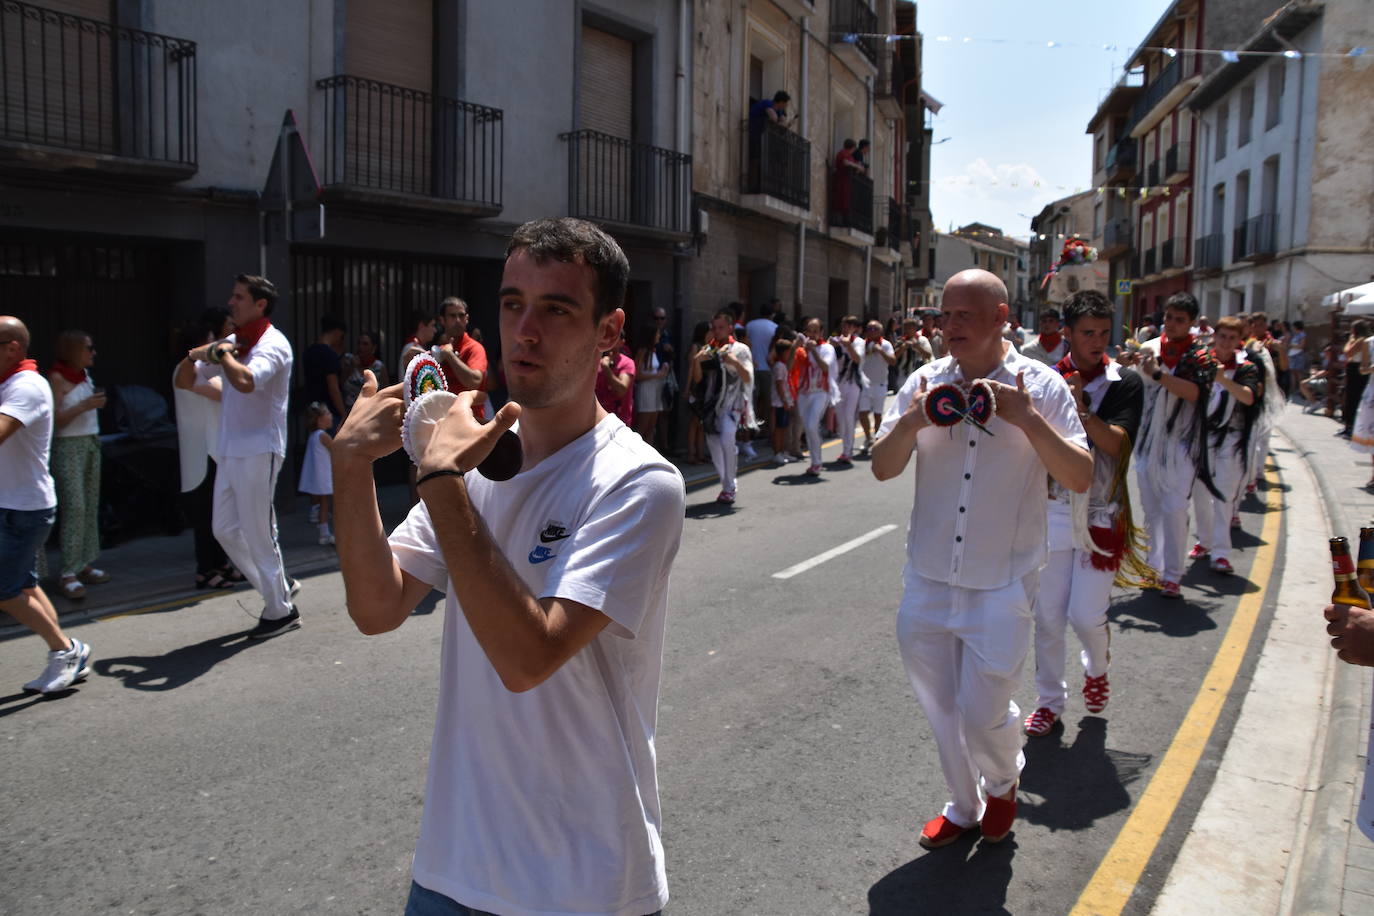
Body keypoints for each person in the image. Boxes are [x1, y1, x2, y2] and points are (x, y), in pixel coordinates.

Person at [333, 217, 684, 916]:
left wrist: (439, 477)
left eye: (556, 309)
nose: (525, 330)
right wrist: (349, 468)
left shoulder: (639, 483)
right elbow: (378, 607)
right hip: (452, 868)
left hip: (581, 883)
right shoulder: (474, 460)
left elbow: (528, 659)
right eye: (512, 303)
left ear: (609, 332)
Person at [871, 269, 1091, 849]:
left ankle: (1002, 779)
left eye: (965, 315)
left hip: (1003, 581)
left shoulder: (1041, 387)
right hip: (928, 576)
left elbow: (1079, 473)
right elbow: (883, 465)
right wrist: (915, 419)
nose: (950, 327)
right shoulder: (923, 382)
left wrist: (1026, 417)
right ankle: (963, 805)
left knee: (981, 710)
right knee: (941, 707)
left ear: (1001, 318)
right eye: (945, 315)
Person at [1024, 289, 1145, 738]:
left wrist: (1083, 411)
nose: (1097, 341)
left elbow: (1118, 445)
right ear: (1068, 335)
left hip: (1101, 513)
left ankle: (1096, 666)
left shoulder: (1125, 381)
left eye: (1103, 333)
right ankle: (1049, 702)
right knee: (1049, 616)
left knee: (1085, 615)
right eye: (1087, 333)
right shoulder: (1045, 379)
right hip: (1053, 508)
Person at [176, 274, 300, 639]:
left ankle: (280, 610)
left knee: (260, 533)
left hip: (261, 449)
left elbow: (246, 382)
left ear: (260, 304)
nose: (232, 303)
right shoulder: (234, 341)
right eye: (233, 296)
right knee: (225, 530)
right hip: (230, 449)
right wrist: (192, 356)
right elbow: (187, 380)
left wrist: (220, 352)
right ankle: (277, 590)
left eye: (239, 297)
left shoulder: (273, 345)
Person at [1, 316, 93, 694]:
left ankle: (65, 650)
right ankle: (70, 653)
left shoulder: (27, 386)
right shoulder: (7, 383)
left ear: (12, 349)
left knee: (4, 591)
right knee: (24, 586)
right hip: (12, 505)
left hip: (24, 509)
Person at [1136, 292, 1214, 600]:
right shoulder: (1149, 348)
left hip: (1182, 443)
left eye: (1179, 319)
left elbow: (1195, 394)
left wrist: (1157, 373)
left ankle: (1172, 575)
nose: (1171, 324)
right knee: (1151, 509)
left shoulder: (1201, 357)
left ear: (1192, 323)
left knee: (1174, 508)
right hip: (1147, 443)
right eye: (1168, 317)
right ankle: (1152, 568)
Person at [1187, 316, 1260, 574]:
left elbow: (1249, 397)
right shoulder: (1199, 362)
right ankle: (1204, 541)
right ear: (1214, 337)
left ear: (1239, 340)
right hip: (1201, 437)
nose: (1226, 342)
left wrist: (1223, 379)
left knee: (1224, 495)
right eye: (1222, 336)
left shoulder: (1246, 367)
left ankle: (1220, 552)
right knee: (1199, 493)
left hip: (1230, 438)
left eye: (1232, 338)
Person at [173, 307, 238, 591]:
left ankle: (220, 564)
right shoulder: (187, 370)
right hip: (201, 453)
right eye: (211, 342)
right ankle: (205, 570)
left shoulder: (202, 369)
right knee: (207, 517)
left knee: (218, 514)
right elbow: (223, 393)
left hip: (213, 450)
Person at [47, 328, 110, 599]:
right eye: (88, 347)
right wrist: (85, 406)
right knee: (75, 506)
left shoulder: (84, 376)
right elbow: (56, 419)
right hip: (68, 446)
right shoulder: (57, 378)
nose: (93, 352)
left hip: (90, 443)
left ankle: (83, 563)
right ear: (73, 350)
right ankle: (67, 572)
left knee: (89, 505)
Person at [698, 309, 756, 504]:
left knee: (726, 441)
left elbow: (748, 378)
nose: (717, 331)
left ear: (730, 328)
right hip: (711, 406)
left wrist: (734, 362)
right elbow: (697, 377)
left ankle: (729, 486)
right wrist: (696, 361)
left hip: (733, 405)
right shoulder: (709, 349)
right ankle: (727, 483)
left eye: (721, 327)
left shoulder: (740, 349)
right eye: (714, 328)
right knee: (713, 444)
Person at [791, 316, 838, 477]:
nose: (811, 335)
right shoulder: (801, 349)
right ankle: (814, 461)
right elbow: (789, 367)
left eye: (815, 331)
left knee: (811, 425)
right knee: (808, 427)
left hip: (821, 392)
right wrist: (793, 348)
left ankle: (817, 462)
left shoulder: (827, 348)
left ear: (821, 333)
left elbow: (825, 367)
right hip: (804, 393)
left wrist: (813, 352)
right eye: (809, 331)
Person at [435, 297, 489, 420]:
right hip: (442, 420)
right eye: (452, 316)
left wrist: (450, 357)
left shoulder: (474, 348)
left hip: (471, 422)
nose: (458, 320)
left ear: (467, 319)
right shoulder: (440, 350)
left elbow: (475, 381)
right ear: (442, 320)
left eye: (461, 315)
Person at [830, 315, 866, 463]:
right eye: (844, 326)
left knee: (849, 416)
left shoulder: (858, 342)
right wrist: (834, 346)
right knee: (840, 418)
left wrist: (848, 345)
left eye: (849, 326)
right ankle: (845, 447)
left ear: (855, 328)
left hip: (853, 383)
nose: (846, 329)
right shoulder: (835, 340)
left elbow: (857, 359)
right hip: (839, 383)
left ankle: (848, 450)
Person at [297, 402, 335, 546]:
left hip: (320, 475)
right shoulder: (323, 436)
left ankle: (323, 529)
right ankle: (325, 533)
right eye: (328, 414)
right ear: (320, 419)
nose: (331, 416)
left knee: (324, 503)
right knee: (327, 503)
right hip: (324, 476)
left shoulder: (314, 435)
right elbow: (336, 449)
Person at [858, 319, 896, 454]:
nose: (871, 331)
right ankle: (868, 438)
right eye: (869, 329)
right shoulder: (861, 344)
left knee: (878, 415)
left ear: (880, 331)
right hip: (865, 384)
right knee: (862, 413)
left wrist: (880, 351)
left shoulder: (885, 345)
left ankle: (878, 439)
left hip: (880, 384)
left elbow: (892, 361)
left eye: (874, 329)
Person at [303, 315, 347, 426]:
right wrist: (343, 414)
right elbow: (333, 388)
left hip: (313, 409)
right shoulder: (329, 354)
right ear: (337, 332)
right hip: (329, 412)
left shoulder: (309, 351)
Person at [746, 303, 779, 446]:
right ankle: (767, 430)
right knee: (767, 404)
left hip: (751, 368)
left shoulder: (750, 325)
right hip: (767, 369)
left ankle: (751, 431)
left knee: (752, 402)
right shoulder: (774, 327)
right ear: (772, 314)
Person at [632, 323, 669, 447]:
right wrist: (658, 375)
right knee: (642, 427)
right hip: (646, 391)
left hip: (656, 391)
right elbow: (637, 374)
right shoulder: (643, 351)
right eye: (657, 333)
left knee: (652, 427)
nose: (659, 335)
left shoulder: (653, 351)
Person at [685, 320, 711, 464]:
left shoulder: (708, 347)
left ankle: (700, 454)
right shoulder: (696, 347)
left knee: (701, 423)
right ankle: (691, 454)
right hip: (697, 387)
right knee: (694, 422)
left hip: (706, 387)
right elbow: (690, 369)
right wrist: (688, 389)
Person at [342, 329, 388, 411]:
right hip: (349, 409)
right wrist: (351, 367)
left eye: (365, 344)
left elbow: (384, 391)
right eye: (359, 343)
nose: (361, 347)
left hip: (369, 409)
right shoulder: (348, 360)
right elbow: (340, 383)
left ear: (374, 347)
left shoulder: (379, 366)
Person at [595, 333, 635, 424]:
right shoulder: (596, 362)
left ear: (622, 342)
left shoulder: (627, 363)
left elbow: (621, 391)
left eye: (614, 338)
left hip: (620, 420)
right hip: (598, 420)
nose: (610, 341)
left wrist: (606, 369)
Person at [769, 333, 797, 465]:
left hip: (783, 401)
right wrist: (785, 400)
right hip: (779, 402)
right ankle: (777, 452)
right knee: (779, 429)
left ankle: (783, 451)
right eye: (788, 353)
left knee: (784, 427)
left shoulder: (782, 365)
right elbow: (779, 385)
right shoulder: (779, 366)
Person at [1343, 321, 1372, 440]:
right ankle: (1349, 425)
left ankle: (1351, 427)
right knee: (1350, 396)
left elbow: (1348, 352)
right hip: (1353, 369)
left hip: (1357, 370)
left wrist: (1350, 340)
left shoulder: (1361, 340)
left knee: (1354, 397)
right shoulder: (1357, 340)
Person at [894, 317, 933, 392]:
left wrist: (917, 347)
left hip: (919, 372)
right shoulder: (901, 341)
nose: (906, 330)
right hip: (904, 374)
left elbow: (928, 356)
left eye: (909, 328)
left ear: (915, 328)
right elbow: (894, 358)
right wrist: (903, 347)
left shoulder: (922, 340)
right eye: (905, 328)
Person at [832, 140, 865, 226]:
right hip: (841, 181)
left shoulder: (849, 156)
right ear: (853, 147)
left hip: (846, 182)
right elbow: (845, 162)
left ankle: (846, 220)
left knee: (846, 202)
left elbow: (853, 165)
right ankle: (839, 220)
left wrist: (858, 168)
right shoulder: (843, 153)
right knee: (840, 201)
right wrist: (857, 166)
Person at [400, 310, 438, 374]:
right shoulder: (411, 348)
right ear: (421, 325)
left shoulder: (414, 346)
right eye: (432, 325)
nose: (435, 330)